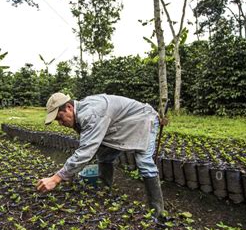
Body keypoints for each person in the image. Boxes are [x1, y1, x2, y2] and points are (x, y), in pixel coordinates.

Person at [36, 92, 165, 216]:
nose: (60, 123)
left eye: (60, 118)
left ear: (69, 108)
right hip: (123, 124)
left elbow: (85, 152)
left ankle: (157, 213)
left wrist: (56, 178)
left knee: (144, 163)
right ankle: (104, 189)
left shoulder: (91, 114)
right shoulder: (82, 112)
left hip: (143, 119)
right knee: (105, 154)